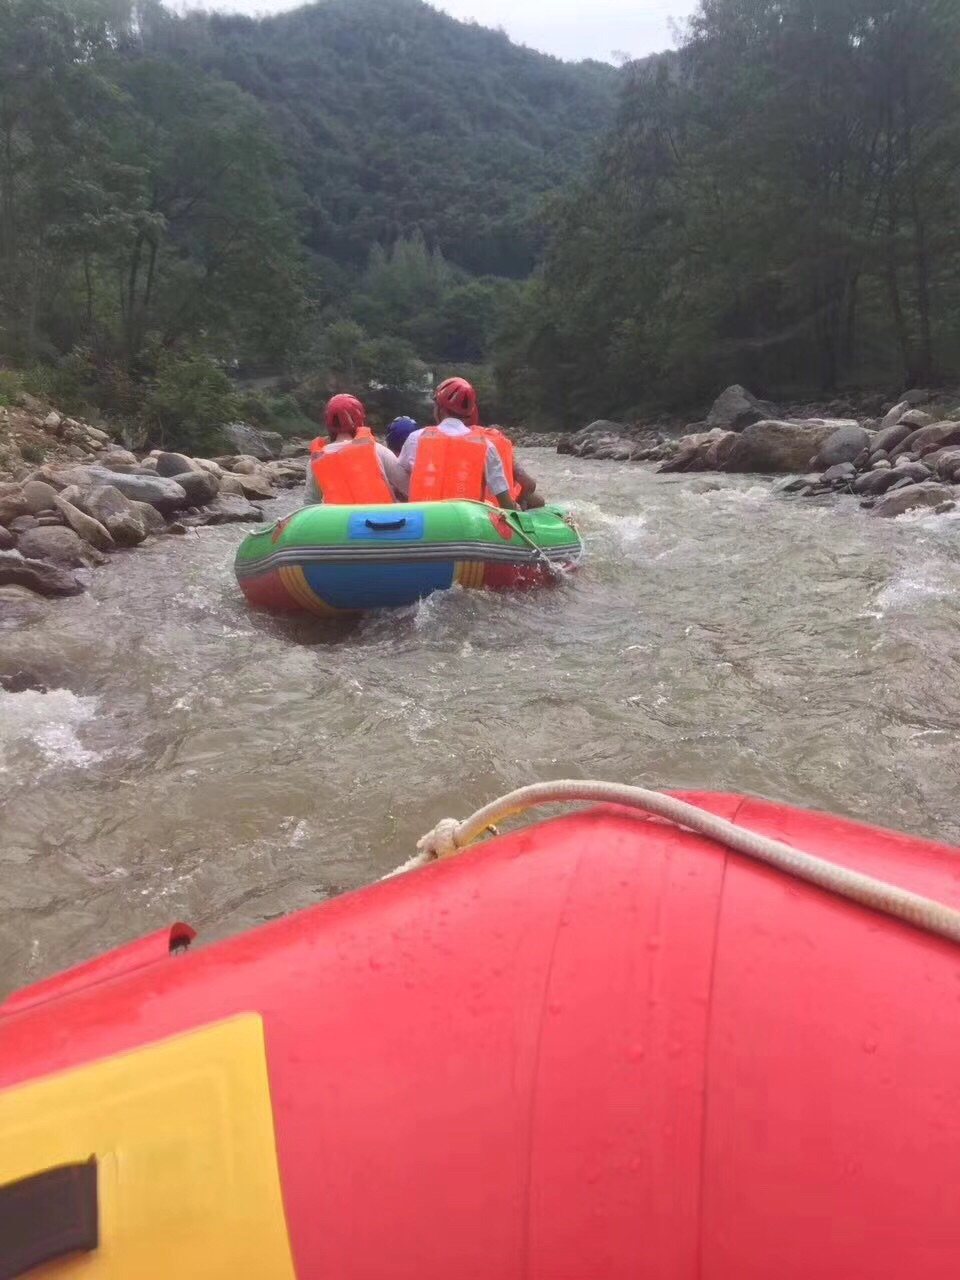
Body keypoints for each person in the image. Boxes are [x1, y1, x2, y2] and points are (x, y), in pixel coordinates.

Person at [398, 377, 517, 508]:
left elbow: (399, 482)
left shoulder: (416, 438)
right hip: (466, 525)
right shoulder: (487, 446)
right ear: (470, 412)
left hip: (423, 524)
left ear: (440, 408)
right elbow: (505, 503)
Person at [307, 394, 408, 505]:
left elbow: (310, 502)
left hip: (340, 521)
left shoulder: (316, 459)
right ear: (359, 419)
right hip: (383, 520)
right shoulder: (378, 450)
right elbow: (407, 487)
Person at [485, 425, 545, 510]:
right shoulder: (505, 449)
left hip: (470, 502)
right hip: (499, 506)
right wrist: (522, 499)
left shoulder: (475, 444)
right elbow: (529, 483)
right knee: (539, 501)